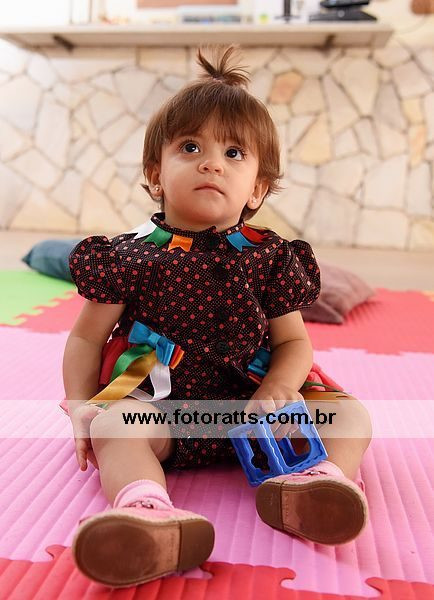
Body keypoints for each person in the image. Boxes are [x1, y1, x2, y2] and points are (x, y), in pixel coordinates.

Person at [63, 45, 372, 589]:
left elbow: (294, 343)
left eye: (234, 153)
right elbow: (87, 338)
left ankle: (317, 486)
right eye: (191, 147)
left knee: (351, 416)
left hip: (255, 410)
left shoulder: (269, 258)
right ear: (156, 175)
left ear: (257, 188)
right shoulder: (132, 256)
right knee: (116, 426)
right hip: (162, 410)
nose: (211, 163)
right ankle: (145, 511)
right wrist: (82, 407)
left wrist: (279, 387)